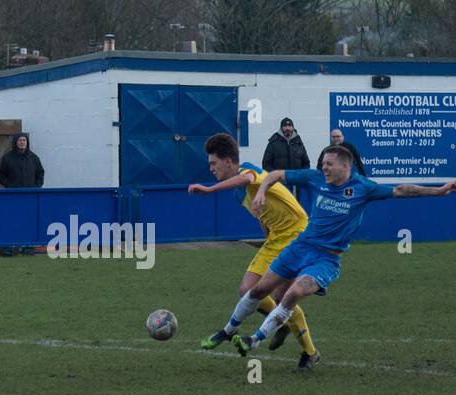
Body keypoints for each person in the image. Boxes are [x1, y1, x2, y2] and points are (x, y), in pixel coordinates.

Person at [204, 145, 455, 371]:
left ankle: (255, 340)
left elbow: (401, 190)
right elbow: (276, 174)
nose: (323, 167)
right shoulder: (315, 179)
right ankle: (228, 330)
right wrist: (262, 192)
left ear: (345, 166)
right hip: (299, 247)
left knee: (291, 295)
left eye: (329, 163)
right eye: (323, 163)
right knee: (259, 290)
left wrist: (439, 190)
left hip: (325, 259)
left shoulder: (362, 188)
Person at [188, 133, 317, 361]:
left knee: (281, 297)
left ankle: (310, 352)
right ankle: (282, 322)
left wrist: (209, 190)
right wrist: (266, 234)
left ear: (229, 161)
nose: (211, 169)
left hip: (297, 234)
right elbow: (261, 211)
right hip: (276, 237)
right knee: (247, 289)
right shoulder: (238, 194)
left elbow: (247, 180)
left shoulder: (248, 170)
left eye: (213, 163)